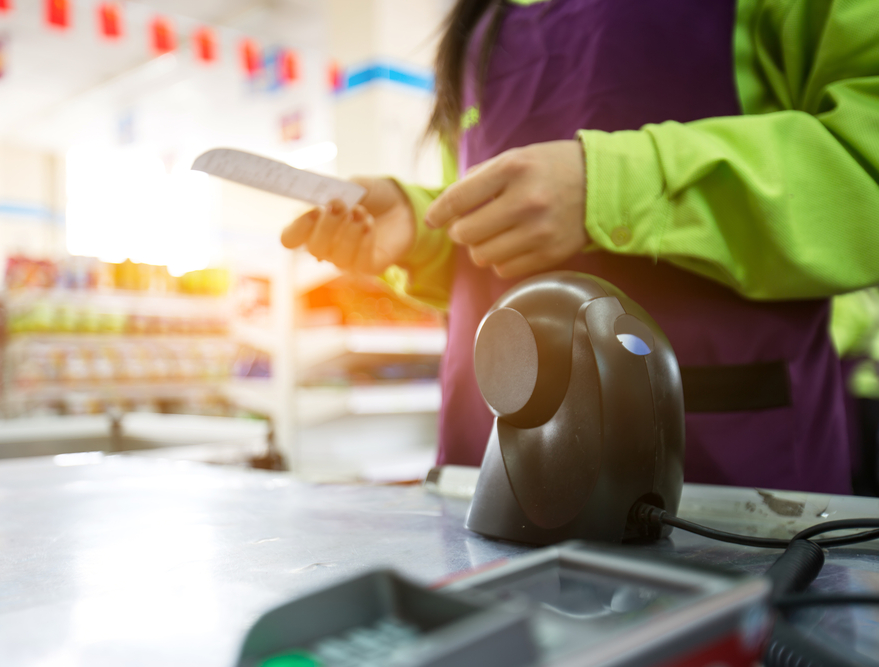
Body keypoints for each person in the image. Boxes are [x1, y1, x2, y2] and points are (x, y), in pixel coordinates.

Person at [281, 0, 879, 494]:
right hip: (488, 461)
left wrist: (613, 189)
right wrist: (420, 229)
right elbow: (492, 235)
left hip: (718, 477)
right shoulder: (479, 24)